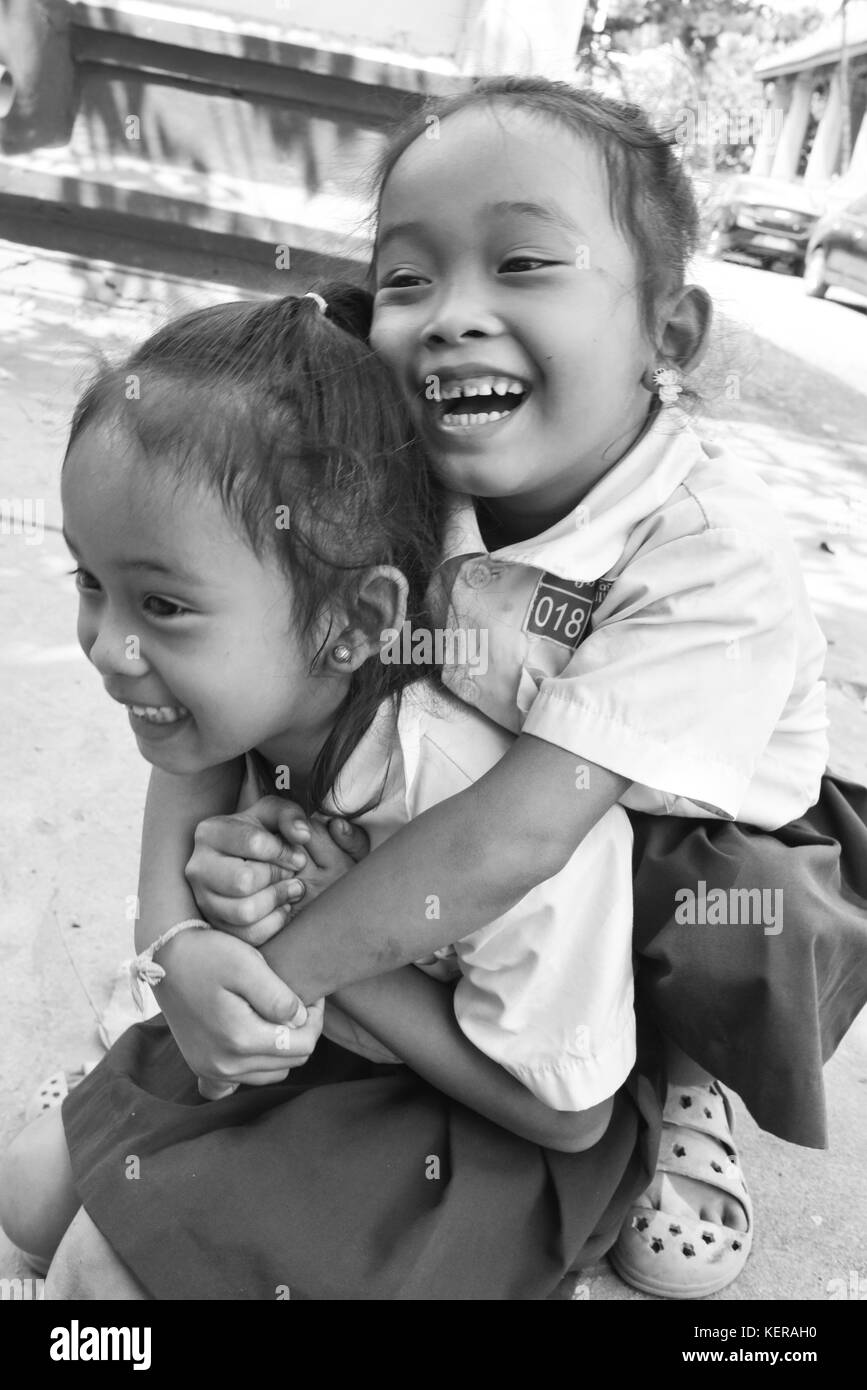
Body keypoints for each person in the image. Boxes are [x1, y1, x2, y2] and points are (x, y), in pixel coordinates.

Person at [178, 80, 867, 1299]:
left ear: (670, 334)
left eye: (524, 264)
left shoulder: (718, 554)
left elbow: (526, 829)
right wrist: (196, 916)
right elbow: (226, 664)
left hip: (681, 826)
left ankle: (674, 1076)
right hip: (494, 756)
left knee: (723, 916)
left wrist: (282, 967)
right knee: (335, 666)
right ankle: (451, 974)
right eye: (407, 279)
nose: (452, 317)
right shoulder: (399, 457)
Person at [0, 287, 658, 1301]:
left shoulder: (473, 801)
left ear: (355, 622)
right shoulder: (266, 704)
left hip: (476, 1120)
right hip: (316, 1041)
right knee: (26, 1195)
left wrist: (321, 946)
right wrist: (189, 947)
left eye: (163, 604)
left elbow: (568, 1119)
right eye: (92, 582)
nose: (106, 645)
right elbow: (181, 809)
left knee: (94, 1278)